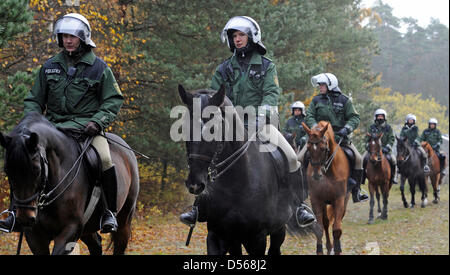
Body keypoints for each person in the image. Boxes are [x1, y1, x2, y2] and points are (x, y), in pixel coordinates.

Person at [180, 16, 315, 228]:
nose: (237, 39)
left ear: (251, 37)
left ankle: (299, 205)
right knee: (206, 152)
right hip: (229, 124)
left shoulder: (266, 66)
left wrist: (261, 116)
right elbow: (214, 96)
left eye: (241, 35)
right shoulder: (224, 68)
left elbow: (271, 93)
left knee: (290, 157)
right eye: (234, 36)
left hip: (263, 123)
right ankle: (198, 205)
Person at [0, 13, 123, 233]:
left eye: (73, 36)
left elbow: (113, 100)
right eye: (64, 36)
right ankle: (13, 214)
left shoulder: (99, 68)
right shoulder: (49, 67)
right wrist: (30, 125)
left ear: (83, 38)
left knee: (104, 159)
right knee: (22, 163)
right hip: (53, 130)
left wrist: (98, 121)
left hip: (87, 130)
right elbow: (34, 100)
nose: (68, 40)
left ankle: (109, 212)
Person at [299, 72, 368, 203]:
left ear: (331, 85)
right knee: (299, 158)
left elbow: (354, 117)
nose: (320, 87)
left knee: (358, 159)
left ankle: (356, 191)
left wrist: (346, 128)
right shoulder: (316, 100)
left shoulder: (344, 100)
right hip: (318, 138)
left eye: (322, 85)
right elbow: (309, 115)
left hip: (340, 137)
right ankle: (302, 190)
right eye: (319, 85)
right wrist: (316, 129)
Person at [362, 109, 397, 185]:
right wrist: (368, 146)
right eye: (378, 116)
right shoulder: (371, 127)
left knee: (393, 160)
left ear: (384, 117)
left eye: (381, 116)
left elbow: (391, 138)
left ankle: (393, 177)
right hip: (373, 149)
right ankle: (363, 177)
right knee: (363, 159)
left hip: (385, 150)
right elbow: (366, 139)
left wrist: (387, 147)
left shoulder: (388, 128)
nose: (380, 118)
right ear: (376, 117)